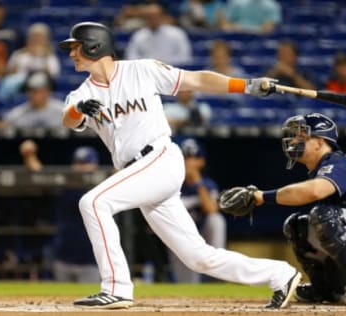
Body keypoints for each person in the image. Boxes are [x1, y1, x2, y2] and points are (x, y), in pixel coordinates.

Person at [59, 21, 300, 309]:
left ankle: (116, 288)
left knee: (93, 202)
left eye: (75, 47)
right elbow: (69, 119)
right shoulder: (82, 93)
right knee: (198, 257)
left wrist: (245, 85)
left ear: (93, 45)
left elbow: (197, 80)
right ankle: (280, 274)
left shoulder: (141, 70)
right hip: (139, 173)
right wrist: (79, 109)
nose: (72, 53)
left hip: (159, 158)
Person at [234, 112, 346, 306]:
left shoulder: (340, 163)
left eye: (301, 135)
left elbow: (313, 191)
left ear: (320, 141)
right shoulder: (326, 166)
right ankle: (328, 289)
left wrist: (262, 196)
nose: (294, 140)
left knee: (325, 216)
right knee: (298, 225)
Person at [19, 140, 100, 282]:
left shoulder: (102, 186)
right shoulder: (65, 184)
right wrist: (29, 155)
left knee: (91, 301)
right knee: (61, 300)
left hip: (92, 260)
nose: (81, 167)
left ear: (95, 165)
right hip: (64, 257)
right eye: (78, 163)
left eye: (85, 163)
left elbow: (121, 174)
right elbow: (40, 173)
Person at [169, 138, 226, 283]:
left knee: (216, 221)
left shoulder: (207, 184)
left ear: (201, 161)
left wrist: (198, 182)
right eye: (185, 158)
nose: (188, 162)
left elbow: (212, 209)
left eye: (193, 158)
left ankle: (217, 270)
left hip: (203, 231)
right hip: (181, 237)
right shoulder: (171, 183)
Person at [125, 3, 193, 65]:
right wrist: (146, 64)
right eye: (149, 17)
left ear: (162, 16)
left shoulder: (177, 33)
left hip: (171, 71)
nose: (152, 19)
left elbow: (185, 56)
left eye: (155, 16)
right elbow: (131, 55)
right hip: (145, 71)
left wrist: (163, 63)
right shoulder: (139, 35)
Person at [0, 70, 64, 128]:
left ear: (47, 92)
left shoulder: (62, 110)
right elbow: (4, 123)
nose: (32, 95)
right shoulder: (19, 113)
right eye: (31, 91)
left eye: (36, 91)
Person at [217, 0, 282, 34]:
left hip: (260, 42)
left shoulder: (272, 6)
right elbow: (224, 25)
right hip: (236, 39)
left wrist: (241, 28)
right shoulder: (236, 2)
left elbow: (268, 29)